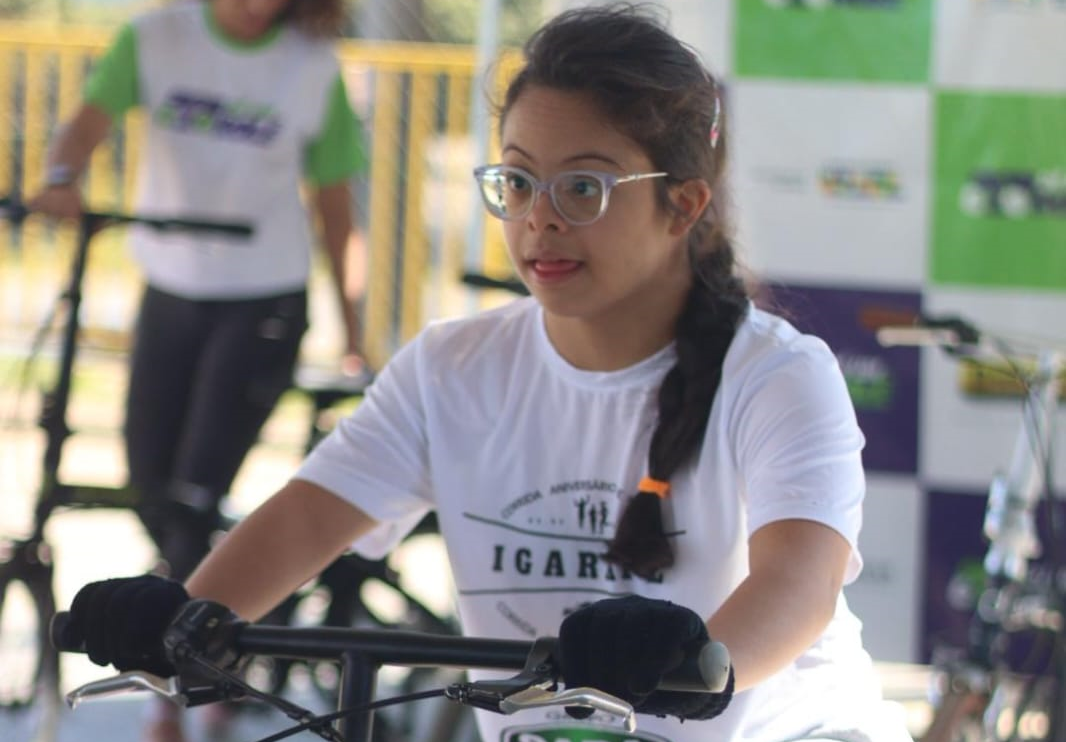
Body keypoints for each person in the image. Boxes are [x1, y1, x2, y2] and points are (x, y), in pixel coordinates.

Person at [57, 4, 914, 741]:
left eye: (584, 189)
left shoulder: (777, 375)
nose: (539, 220)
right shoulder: (451, 367)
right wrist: (181, 615)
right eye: (517, 181)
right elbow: (308, 516)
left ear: (682, 204)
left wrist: (698, 657)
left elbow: (796, 586)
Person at [30, 0, 367, 740]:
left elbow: (337, 207)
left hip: (261, 302)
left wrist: (354, 331)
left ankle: (186, 679)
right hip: (171, 291)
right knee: (151, 483)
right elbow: (89, 119)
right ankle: (223, 632)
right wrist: (62, 175)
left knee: (194, 492)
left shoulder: (312, 68)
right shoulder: (157, 36)